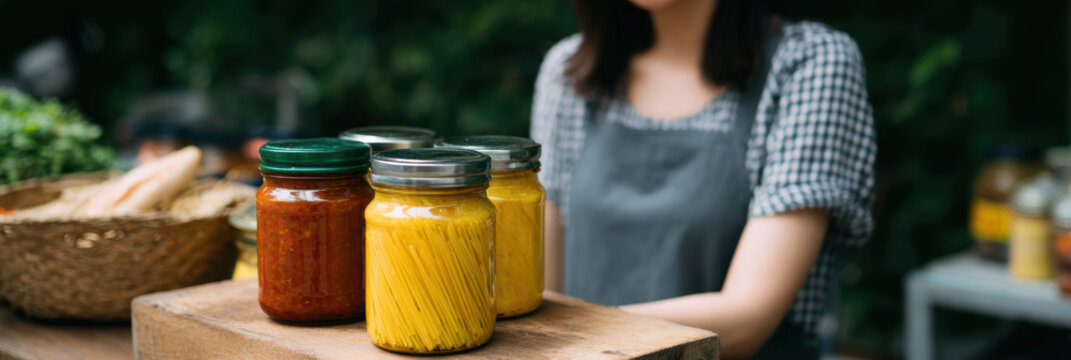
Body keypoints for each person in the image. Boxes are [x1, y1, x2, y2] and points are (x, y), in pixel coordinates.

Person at [530, 0, 875, 358]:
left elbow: (748, 317)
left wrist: (564, 333)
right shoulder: (571, 71)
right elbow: (541, 294)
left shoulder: (809, 64)